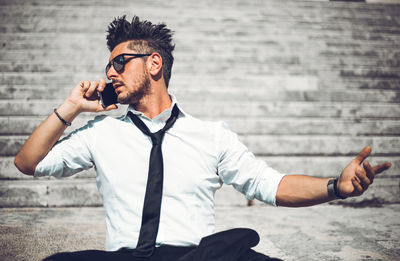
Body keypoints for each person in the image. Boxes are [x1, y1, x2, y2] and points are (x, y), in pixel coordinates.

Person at [14, 15, 391, 261]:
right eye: (108, 65)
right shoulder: (100, 133)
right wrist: (71, 107)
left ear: (154, 63)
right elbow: (27, 163)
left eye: (119, 62)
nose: (110, 73)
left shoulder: (211, 136)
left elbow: (270, 185)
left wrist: (336, 186)